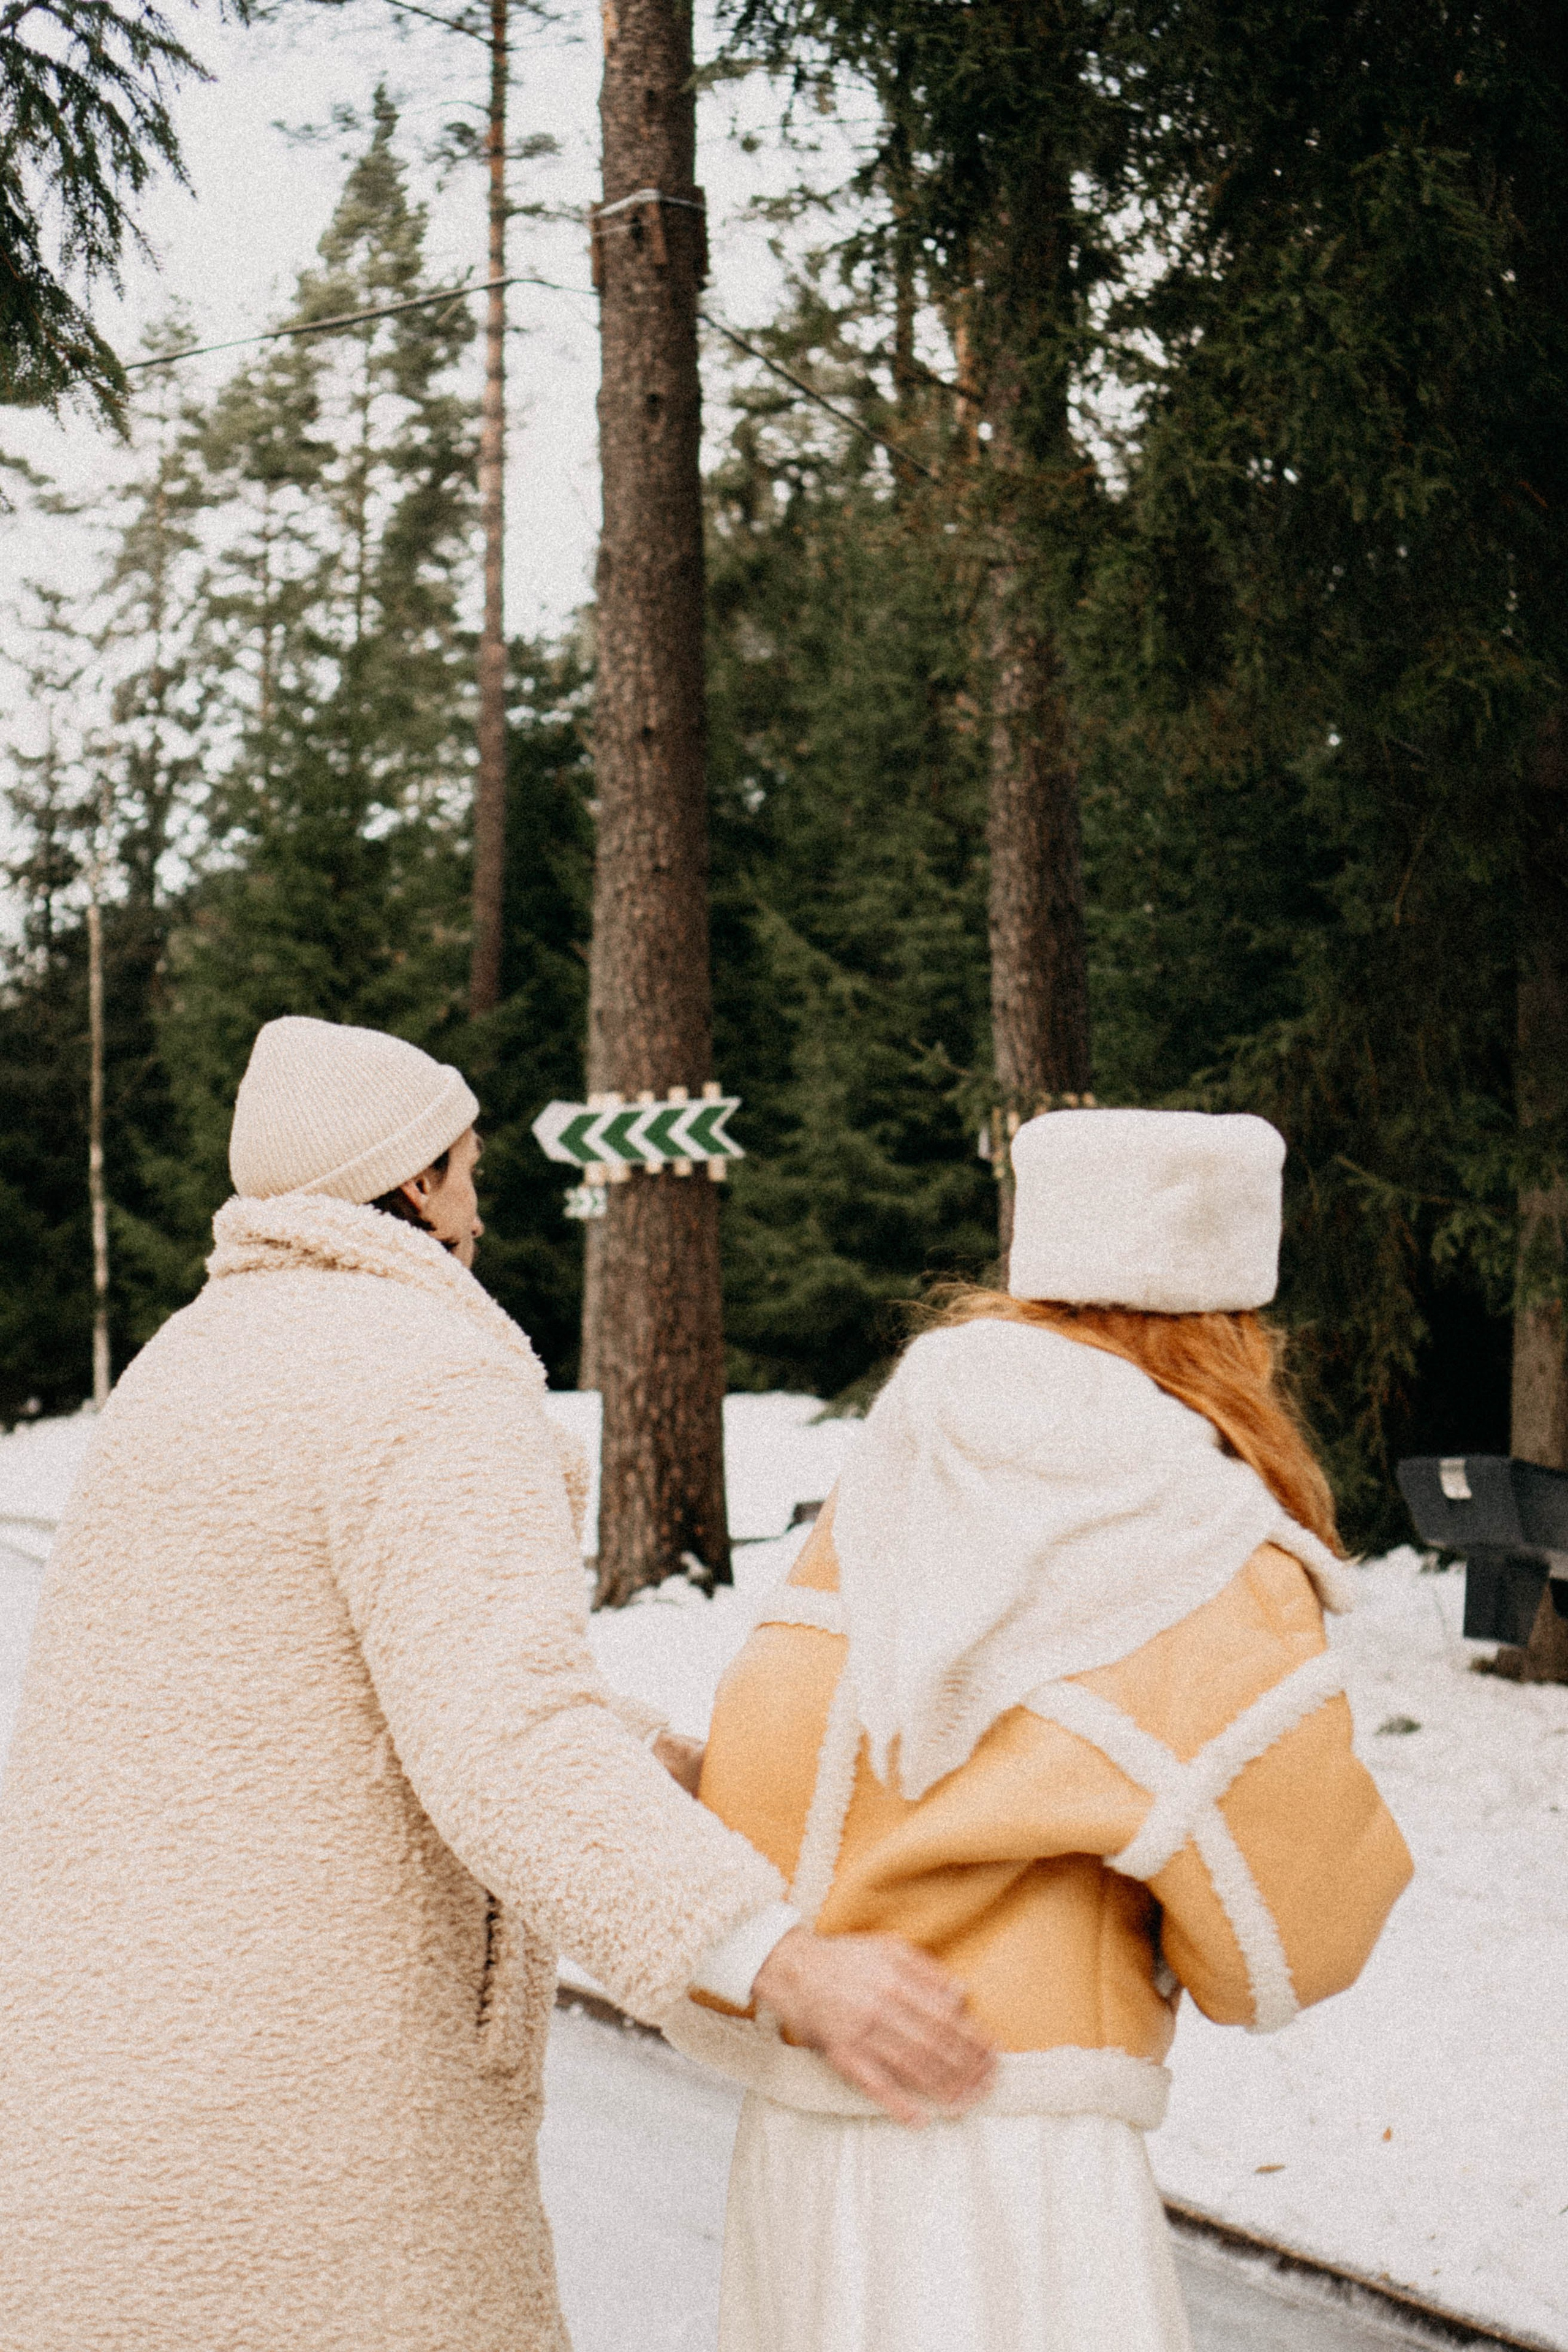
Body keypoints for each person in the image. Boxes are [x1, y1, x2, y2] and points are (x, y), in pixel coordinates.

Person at [0, 1016, 992, 2352]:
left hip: (96, 2126)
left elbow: (322, 1693)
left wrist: (651, 1761)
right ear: (416, 1184)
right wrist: (774, 1958)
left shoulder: (178, 1374)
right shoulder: (427, 1377)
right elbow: (503, 1739)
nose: (479, 1217)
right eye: (469, 1173)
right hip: (322, 2147)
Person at [665, 1106, 1415, 2352]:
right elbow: (1292, 1943)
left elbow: (762, 1791)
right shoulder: (1199, 1538)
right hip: (1016, 2158)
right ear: (1230, 1316)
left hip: (804, 2154)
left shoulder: (883, 1485)